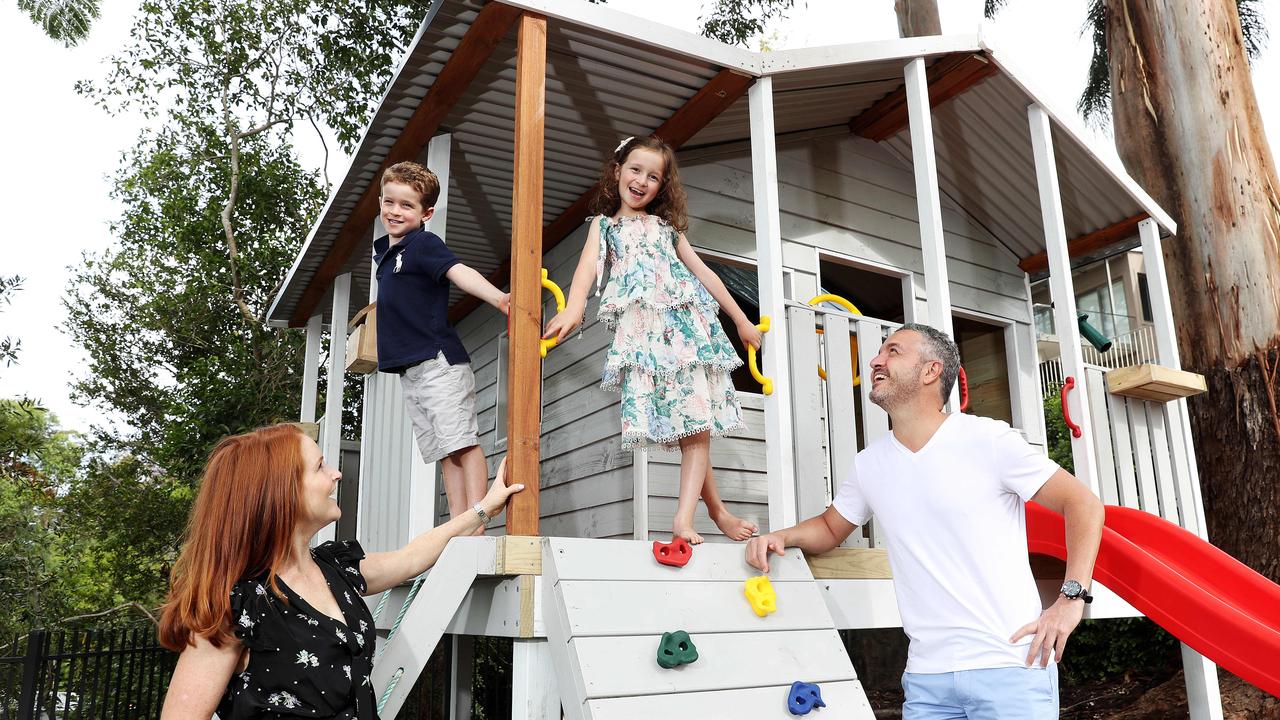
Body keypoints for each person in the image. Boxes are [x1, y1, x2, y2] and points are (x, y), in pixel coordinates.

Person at [745, 324, 1105, 718]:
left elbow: (1083, 505)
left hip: (1010, 667)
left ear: (931, 371)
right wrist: (781, 535)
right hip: (927, 680)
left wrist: (1071, 600)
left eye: (893, 351)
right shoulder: (870, 465)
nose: (876, 360)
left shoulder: (988, 440)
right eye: (880, 352)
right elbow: (832, 527)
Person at [157, 423, 523, 719]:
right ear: (281, 493)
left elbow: (412, 556)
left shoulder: (336, 569)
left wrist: (485, 508)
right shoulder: (238, 604)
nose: (336, 474)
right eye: (319, 467)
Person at [542, 135, 759, 544]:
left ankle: (686, 519)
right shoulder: (604, 228)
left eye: (654, 176)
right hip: (646, 342)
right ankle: (716, 510)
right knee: (689, 426)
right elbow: (588, 268)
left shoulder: (666, 229)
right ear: (618, 171)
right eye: (636, 170)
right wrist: (573, 308)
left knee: (697, 425)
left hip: (688, 333)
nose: (642, 181)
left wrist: (741, 319)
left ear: (663, 186)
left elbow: (705, 274)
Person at [374, 161, 509, 532]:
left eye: (406, 205)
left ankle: (477, 521)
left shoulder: (423, 243)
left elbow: (458, 271)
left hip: (438, 363)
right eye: (389, 202)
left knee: (463, 443)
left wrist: (500, 299)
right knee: (445, 452)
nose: (395, 211)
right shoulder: (386, 255)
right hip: (411, 371)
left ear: (426, 213)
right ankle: (457, 524)